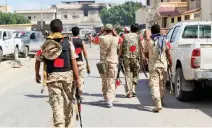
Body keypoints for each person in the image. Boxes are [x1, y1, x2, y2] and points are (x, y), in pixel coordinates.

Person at [35, 19, 81, 127]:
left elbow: (37, 60)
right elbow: (73, 61)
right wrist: (77, 79)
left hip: (52, 78)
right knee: (68, 104)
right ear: (61, 29)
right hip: (67, 78)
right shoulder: (68, 43)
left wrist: (37, 74)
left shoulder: (45, 44)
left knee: (56, 105)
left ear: (50, 29)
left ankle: (59, 125)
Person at [144, 24, 172, 113]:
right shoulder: (165, 40)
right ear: (159, 31)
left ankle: (157, 104)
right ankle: (161, 101)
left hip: (153, 66)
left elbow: (145, 53)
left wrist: (149, 58)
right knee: (162, 84)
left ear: (151, 31)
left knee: (154, 85)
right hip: (163, 66)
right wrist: (170, 63)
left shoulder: (148, 42)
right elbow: (168, 53)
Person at [96, 24, 119, 107]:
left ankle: (106, 97)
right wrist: (114, 33)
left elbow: (94, 40)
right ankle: (110, 99)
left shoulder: (101, 38)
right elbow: (121, 40)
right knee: (111, 81)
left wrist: (100, 32)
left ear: (104, 30)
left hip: (103, 63)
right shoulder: (116, 39)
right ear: (112, 30)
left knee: (104, 80)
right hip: (113, 62)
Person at [119, 23, 143, 98]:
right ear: (138, 30)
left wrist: (119, 56)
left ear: (131, 29)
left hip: (126, 58)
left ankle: (129, 92)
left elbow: (120, 47)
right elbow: (142, 47)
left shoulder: (124, 36)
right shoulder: (139, 36)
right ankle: (133, 90)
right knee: (135, 74)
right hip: (136, 58)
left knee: (127, 74)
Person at [71, 26, 90, 98]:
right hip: (79, 62)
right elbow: (85, 53)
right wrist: (87, 64)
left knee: (73, 78)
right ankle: (80, 92)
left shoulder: (70, 41)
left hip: (72, 63)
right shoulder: (81, 41)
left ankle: (73, 94)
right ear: (78, 32)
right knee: (80, 78)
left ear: (72, 32)